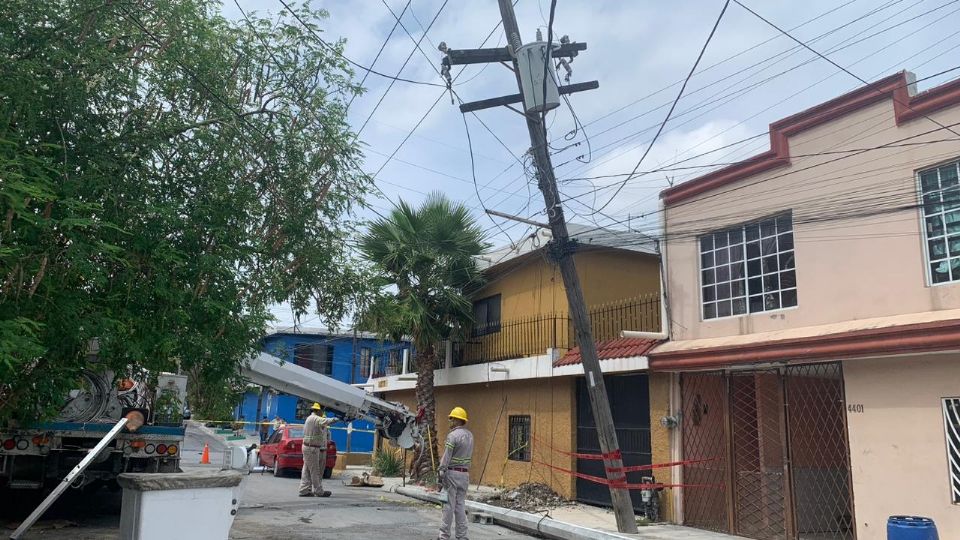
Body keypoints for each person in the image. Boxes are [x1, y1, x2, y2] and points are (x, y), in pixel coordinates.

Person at [438, 406, 474, 540]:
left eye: (451, 418)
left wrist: (441, 470)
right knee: (460, 506)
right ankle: (462, 536)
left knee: (448, 506)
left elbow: (447, 456)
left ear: (456, 420)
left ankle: (443, 536)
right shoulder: (470, 435)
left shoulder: (452, 436)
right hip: (465, 475)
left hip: (452, 474)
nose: (450, 421)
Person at [299, 402, 335, 497]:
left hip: (309, 447)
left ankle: (304, 489)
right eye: (322, 410)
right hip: (312, 448)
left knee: (307, 469)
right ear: (318, 410)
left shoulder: (310, 418)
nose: (322, 412)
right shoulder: (315, 418)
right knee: (315, 470)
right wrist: (335, 419)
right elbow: (326, 421)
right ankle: (319, 491)